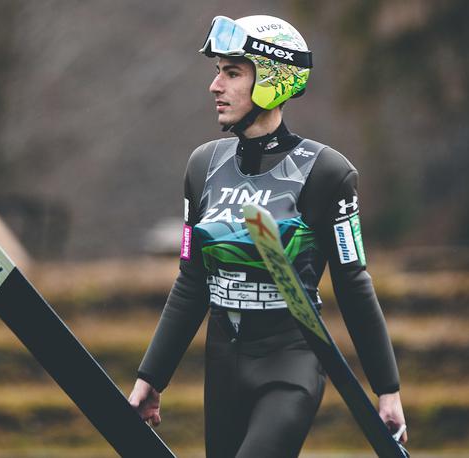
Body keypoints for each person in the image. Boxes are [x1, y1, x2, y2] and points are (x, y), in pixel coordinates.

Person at [129, 14, 408, 458]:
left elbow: (353, 283)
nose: (215, 86)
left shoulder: (328, 173)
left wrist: (387, 389)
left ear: (274, 80)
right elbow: (190, 280)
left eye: (232, 72)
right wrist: (151, 377)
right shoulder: (203, 166)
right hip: (222, 364)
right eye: (217, 71)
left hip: (290, 362)